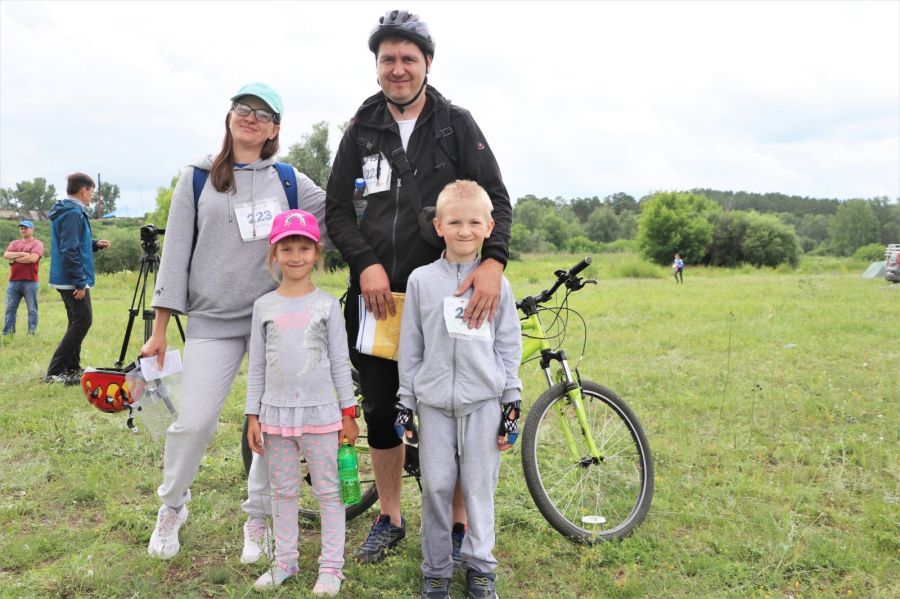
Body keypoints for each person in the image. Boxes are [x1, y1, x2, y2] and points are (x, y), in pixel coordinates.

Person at [325, 9, 513, 565]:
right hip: (380, 296)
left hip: (448, 295)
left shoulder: (456, 124)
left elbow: (497, 200)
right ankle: (390, 516)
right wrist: (364, 263)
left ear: (427, 63)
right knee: (382, 409)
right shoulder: (361, 130)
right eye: (388, 60)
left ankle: (457, 524)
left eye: (409, 58)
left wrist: (493, 263)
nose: (398, 69)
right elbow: (337, 210)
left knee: (452, 409)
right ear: (377, 66)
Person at [141, 83, 328, 562]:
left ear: (275, 130)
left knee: (273, 425)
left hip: (273, 319)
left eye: (263, 114)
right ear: (229, 117)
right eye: (244, 109)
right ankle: (172, 508)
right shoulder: (199, 177)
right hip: (211, 319)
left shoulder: (290, 181)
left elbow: (339, 215)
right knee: (194, 421)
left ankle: (259, 518)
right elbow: (176, 252)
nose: (252, 118)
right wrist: (160, 329)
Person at [396, 180, 521, 599]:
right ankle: (436, 570)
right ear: (438, 226)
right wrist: (405, 402)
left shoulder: (497, 283)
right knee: (435, 486)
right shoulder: (420, 281)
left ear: (489, 227)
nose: (464, 230)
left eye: (473, 222)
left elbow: (507, 344)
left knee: (478, 487)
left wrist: (511, 401)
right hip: (432, 405)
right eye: (454, 222)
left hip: (483, 404)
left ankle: (481, 567)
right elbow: (410, 346)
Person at [245, 209, 358, 593]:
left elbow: (341, 362)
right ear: (274, 254)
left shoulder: (327, 305)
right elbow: (257, 365)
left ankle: (331, 568)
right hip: (275, 416)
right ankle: (285, 562)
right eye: (287, 248)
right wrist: (252, 415)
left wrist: (348, 413)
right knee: (283, 492)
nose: (295, 256)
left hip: (322, 414)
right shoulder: (264, 306)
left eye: (304, 248)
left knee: (328, 491)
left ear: (317, 252)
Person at [45, 174, 110, 384]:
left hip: (66, 277)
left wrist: (94, 244)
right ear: (84, 190)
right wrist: (80, 282)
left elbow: (75, 241)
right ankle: (55, 372)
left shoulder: (68, 211)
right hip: (71, 279)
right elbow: (69, 250)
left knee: (76, 321)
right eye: (91, 192)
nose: (91, 196)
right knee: (83, 321)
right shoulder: (73, 213)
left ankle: (72, 368)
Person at [3, 220, 44, 336]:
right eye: (21, 228)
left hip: (30, 282)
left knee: (32, 310)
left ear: (32, 229)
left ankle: (31, 334)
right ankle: (8, 334)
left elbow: (32, 259)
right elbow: (6, 255)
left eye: (25, 228)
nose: (23, 230)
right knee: (10, 309)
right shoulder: (15, 243)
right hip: (13, 282)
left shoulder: (37, 244)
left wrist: (14, 258)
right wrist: (22, 254)